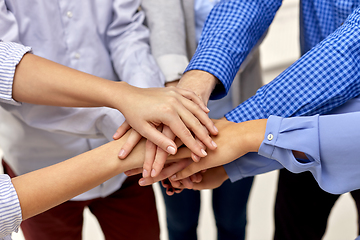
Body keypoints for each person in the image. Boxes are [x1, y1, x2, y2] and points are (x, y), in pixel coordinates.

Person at [124, 1, 360, 239]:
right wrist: (192, 87)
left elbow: (352, 49)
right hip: (301, 120)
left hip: (298, 118)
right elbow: (250, 3)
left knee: (232, 219)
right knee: (291, 227)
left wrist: (238, 132)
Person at [0, 1, 218, 239]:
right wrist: (141, 124)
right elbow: (10, 73)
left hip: (130, 174)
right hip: (39, 169)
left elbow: (125, 30)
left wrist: (151, 105)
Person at [141, 0, 262, 239]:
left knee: (232, 220)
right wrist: (178, 98)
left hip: (238, 113)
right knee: (181, 222)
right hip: (174, 116)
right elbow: (162, 21)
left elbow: (254, 18)